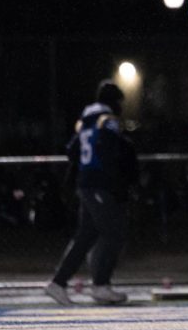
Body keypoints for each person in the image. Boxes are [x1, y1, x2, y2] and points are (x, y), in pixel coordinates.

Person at [45, 79, 138, 306]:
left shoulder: (86, 119)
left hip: (86, 182)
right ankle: (100, 284)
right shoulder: (107, 120)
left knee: (86, 235)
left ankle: (58, 283)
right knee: (114, 232)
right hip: (99, 183)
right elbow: (113, 150)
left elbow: (72, 150)